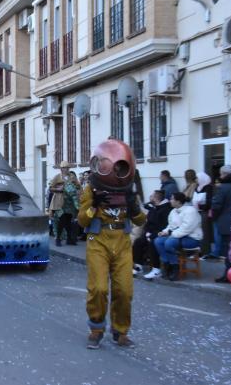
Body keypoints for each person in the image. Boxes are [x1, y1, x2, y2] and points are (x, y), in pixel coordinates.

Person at [77, 139, 146, 349]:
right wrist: (95, 205)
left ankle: (120, 331)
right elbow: (82, 220)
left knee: (124, 291)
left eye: (120, 167)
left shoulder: (129, 190)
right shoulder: (91, 189)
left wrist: (134, 206)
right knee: (98, 288)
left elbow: (141, 221)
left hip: (122, 242)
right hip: (98, 240)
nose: (116, 171)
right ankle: (96, 329)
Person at [154, 192, 203, 281]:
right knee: (158, 241)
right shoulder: (173, 211)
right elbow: (170, 226)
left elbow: (186, 228)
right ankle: (167, 264)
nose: (170, 200)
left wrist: (171, 234)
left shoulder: (191, 211)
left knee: (169, 242)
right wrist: (164, 232)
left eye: (172, 199)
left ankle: (175, 268)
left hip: (192, 238)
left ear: (178, 201)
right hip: (177, 236)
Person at [133, 190, 172, 279]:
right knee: (138, 242)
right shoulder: (154, 208)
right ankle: (138, 266)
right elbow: (148, 223)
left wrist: (151, 235)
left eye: (152, 196)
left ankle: (156, 269)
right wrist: (147, 233)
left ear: (156, 198)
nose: (150, 197)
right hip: (149, 233)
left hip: (160, 234)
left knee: (152, 244)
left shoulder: (165, 209)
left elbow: (163, 226)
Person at [49, 161, 78, 247]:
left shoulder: (72, 177)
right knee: (62, 220)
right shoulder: (57, 177)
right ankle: (58, 239)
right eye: (64, 168)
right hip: (59, 201)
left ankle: (69, 239)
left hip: (69, 202)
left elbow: (78, 186)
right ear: (61, 169)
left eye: (67, 168)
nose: (66, 169)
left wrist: (75, 188)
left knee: (68, 221)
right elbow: (51, 188)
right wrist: (59, 189)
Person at [193, 172, 214, 255]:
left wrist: (201, 206)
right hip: (197, 211)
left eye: (197, 178)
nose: (196, 180)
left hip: (205, 212)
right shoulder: (197, 187)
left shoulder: (209, 187)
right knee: (198, 231)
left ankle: (206, 251)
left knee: (204, 232)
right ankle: (199, 250)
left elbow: (209, 201)